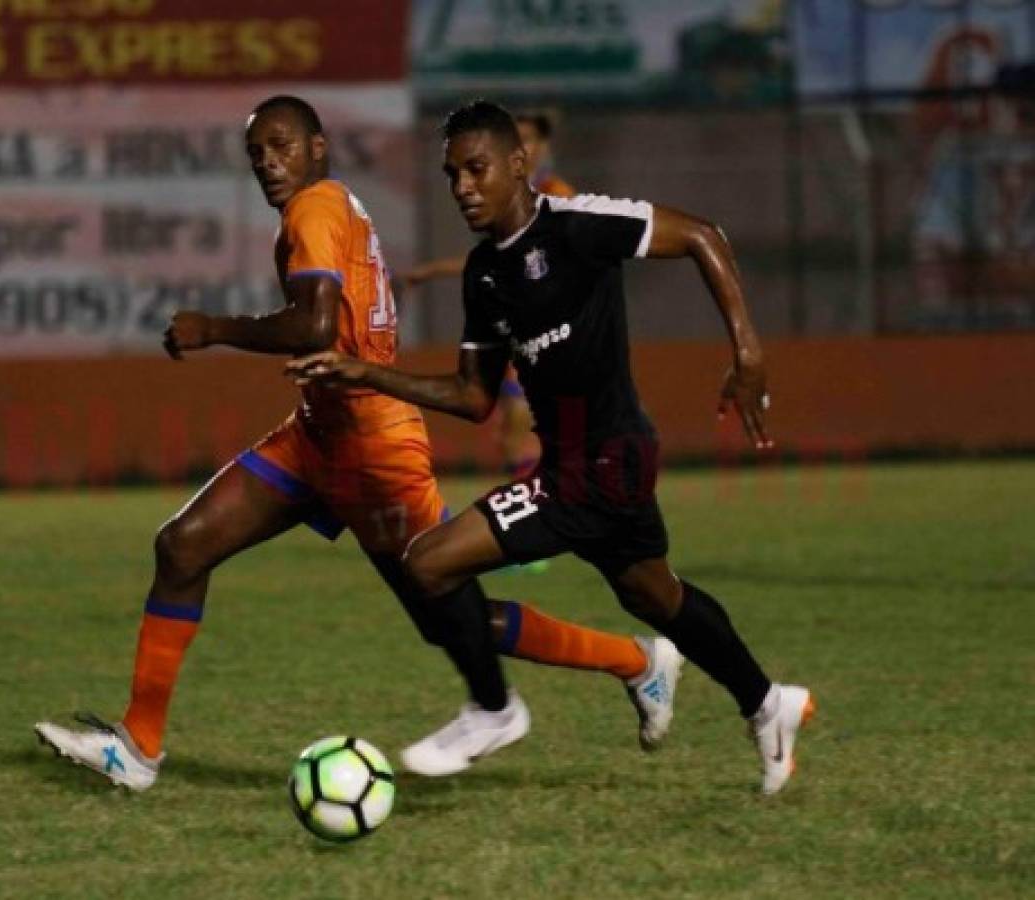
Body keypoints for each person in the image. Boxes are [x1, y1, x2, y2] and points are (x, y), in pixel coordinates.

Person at [34, 95, 685, 791]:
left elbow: (315, 326)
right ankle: (138, 747)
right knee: (182, 545)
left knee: (450, 616)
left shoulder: (315, 208)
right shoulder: (332, 204)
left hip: (374, 443)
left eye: (281, 146)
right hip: (317, 434)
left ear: (317, 147)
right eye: (256, 153)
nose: (268, 163)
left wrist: (214, 327)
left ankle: (634, 662)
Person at [290, 99, 815, 795]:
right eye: (451, 175)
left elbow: (701, 234)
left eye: (476, 169)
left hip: (604, 464)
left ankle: (492, 710)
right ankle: (765, 703)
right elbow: (474, 397)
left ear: (518, 164)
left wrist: (747, 352)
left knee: (427, 563)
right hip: (579, 464)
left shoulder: (578, 226)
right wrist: (366, 372)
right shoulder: (483, 273)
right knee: (654, 595)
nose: (463, 188)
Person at [401, 111, 575, 480]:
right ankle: (539, 506)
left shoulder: (557, 198)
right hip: (521, 326)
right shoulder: (511, 200)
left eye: (529, 140)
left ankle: (549, 507)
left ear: (541, 147)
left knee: (523, 422)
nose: (523, 148)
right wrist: (429, 272)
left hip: (555, 330)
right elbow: (497, 259)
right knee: (513, 429)